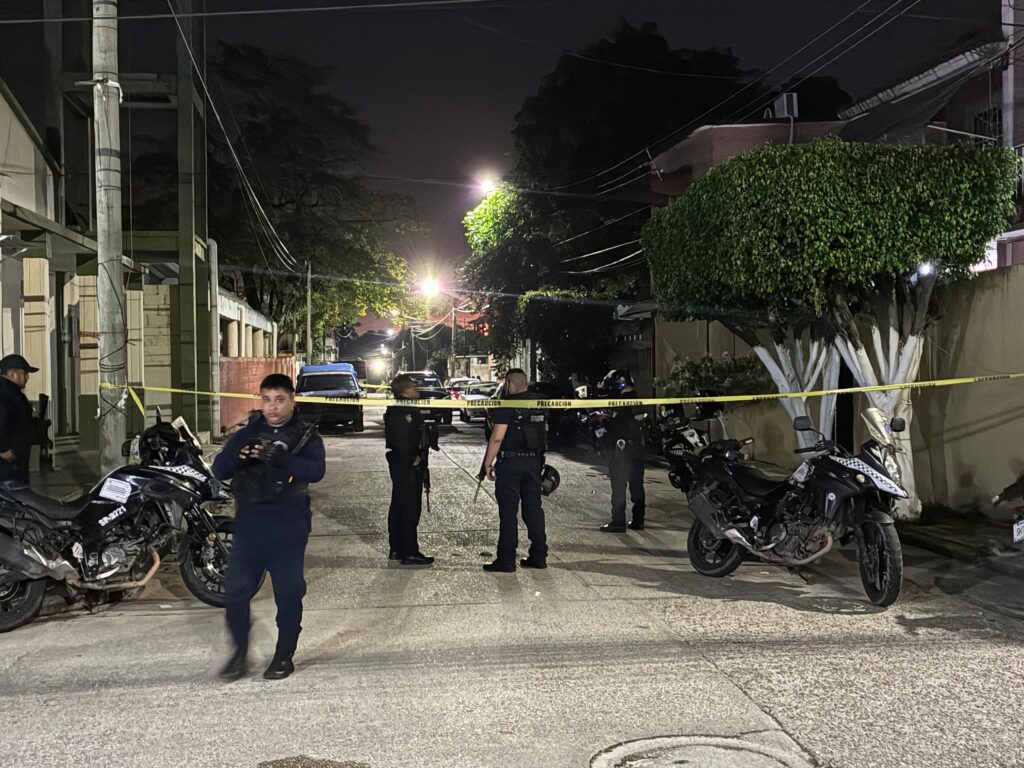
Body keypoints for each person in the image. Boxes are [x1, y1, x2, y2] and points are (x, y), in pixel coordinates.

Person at [212, 373, 326, 682]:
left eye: (279, 400)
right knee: (236, 591)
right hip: (250, 524)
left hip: (288, 525)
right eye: (266, 400)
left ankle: (284, 655)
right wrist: (237, 457)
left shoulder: (305, 436)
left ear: (292, 400)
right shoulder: (247, 434)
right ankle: (239, 654)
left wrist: (282, 459)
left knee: (288, 594)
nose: (272, 407)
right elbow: (219, 469)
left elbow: (316, 471)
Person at [481, 368, 547, 572]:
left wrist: (487, 463)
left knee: (508, 513)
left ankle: (506, 559)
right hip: (534, 463)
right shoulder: (540, 403)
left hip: (510, 464)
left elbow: (497, 438)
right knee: (533, 510)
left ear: (509, 384)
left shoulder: (507, 404)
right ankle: (539, 555)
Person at [384, 374, 434, 566]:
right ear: (404, 392)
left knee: (399, 504)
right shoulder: (402, 411)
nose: (417, 390)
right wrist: (414, 458)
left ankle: (397, 549)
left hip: (403, 462)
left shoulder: (403, 407)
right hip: (406, 464)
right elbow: (403, 438)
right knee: (409, 508)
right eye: (413, 387)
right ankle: (409, 551)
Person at [599, 369, 647, 533]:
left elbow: (615, 427)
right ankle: (638, 520)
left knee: (618, 488)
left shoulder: (620, 404)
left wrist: (603, 421)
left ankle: (618, 522)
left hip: (621, 451)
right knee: (637, 486)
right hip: (637, 449)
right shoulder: (637, 401)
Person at [0, 354, 38, 484]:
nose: (28, 377)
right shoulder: (5, 393)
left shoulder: (11, 391)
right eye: (24, 373)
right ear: (12, 374)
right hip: (7, 465)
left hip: (14, 460)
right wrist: (3, 449)